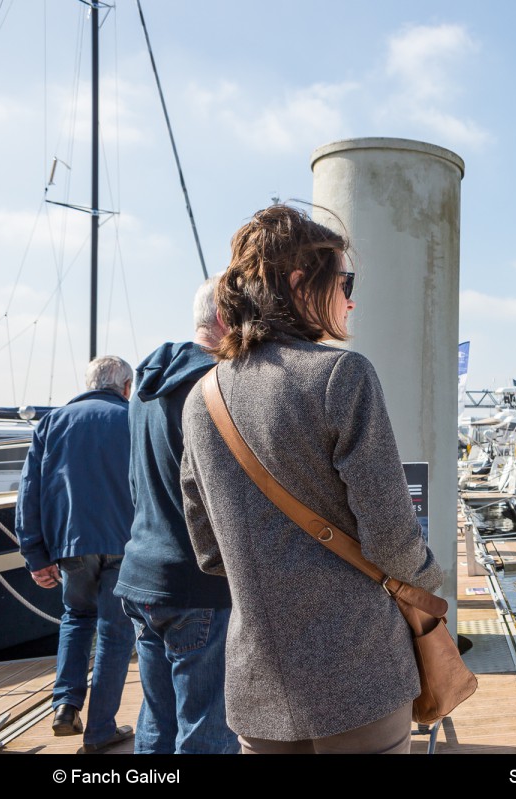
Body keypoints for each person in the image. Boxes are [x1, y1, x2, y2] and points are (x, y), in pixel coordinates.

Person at [180, 204, 443, 754]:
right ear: (301, 282)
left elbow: (208, 551)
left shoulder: (201, 399)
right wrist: (428, 578)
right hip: (358, 668)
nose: (352, 297)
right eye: (344, 280)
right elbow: (393, 540)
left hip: (257, 680)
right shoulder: (341, 375)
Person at [114, 275, 237, 754]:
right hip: (197, 582)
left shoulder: (144, 391)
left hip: (142, 574)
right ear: (226, 319)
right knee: (207, 726)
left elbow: (135, 483)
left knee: (157, 719)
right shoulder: (213, 387)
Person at [15, 356, 136, 754]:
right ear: (125, 387)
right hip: (124, 542)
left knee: (76, 618)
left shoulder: (50, 424)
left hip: (71, 544)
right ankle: (100, 729)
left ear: (88, 383)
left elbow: (28, 492)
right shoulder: (135, 419)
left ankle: (65, 705)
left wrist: (35, 555)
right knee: (116, 635)